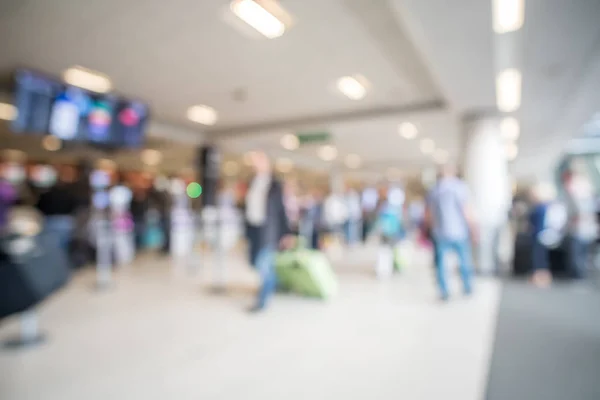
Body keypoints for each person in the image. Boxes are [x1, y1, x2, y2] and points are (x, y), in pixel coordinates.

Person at [245, 151, 292, 313]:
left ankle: (262, 300)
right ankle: (275, 283)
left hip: (268, 231)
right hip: (254, 229)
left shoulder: (275, 184)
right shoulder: (252, 182)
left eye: (258, 160)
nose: (255, 164)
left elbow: (281, 210)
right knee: (256, 263)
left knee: (263, 264)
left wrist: (286, 233)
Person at [425, 164, 475, 301]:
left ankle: (444, 290)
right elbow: (466, 211)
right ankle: (467, 286)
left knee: (441, 262)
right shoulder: (460, 187)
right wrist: (473, 228)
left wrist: (430, 229)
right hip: (459, 231)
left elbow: (429, 214)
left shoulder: (434, 189)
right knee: (464, 260)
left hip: (440, 232)